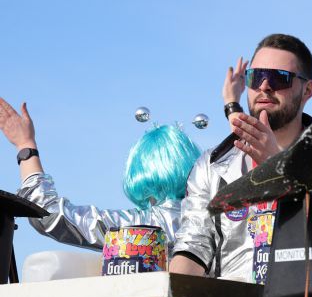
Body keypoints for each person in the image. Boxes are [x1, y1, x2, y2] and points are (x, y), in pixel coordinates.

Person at [170, 33, 312, 284]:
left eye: (280, 78)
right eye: (256, 77)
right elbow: (193, 246)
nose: (264, 86)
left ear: (307, 90)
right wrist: (168, 293)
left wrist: (278, 169)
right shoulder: (213, 165)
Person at [0, 97, 201, 254]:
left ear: (141, 175)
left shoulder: (145, 228)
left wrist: (25, 145)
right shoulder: (212, 222)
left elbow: (47, 215)